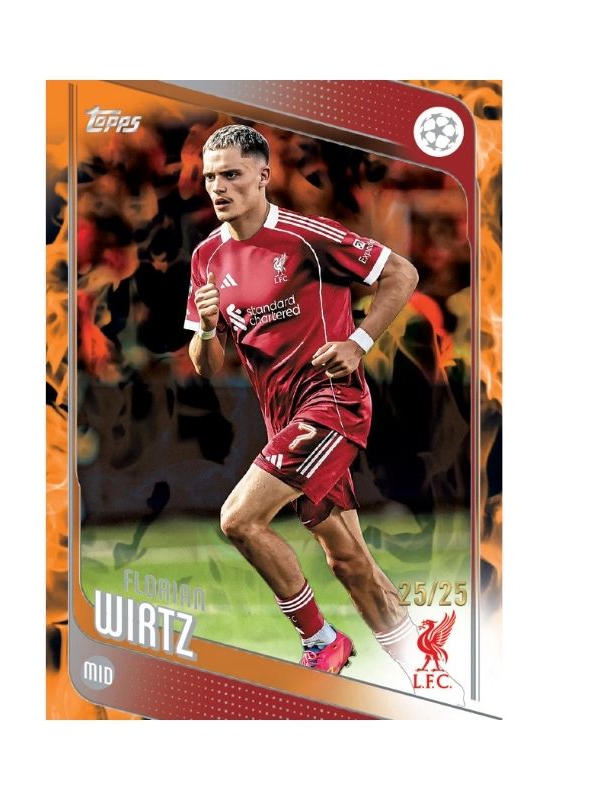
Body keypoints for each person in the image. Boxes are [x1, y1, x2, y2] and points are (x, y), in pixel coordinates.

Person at [183, 124, 419, 675]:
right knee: (349, 561)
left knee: (239, 519)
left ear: (264, 175)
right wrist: (207, 329)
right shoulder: (206, 257)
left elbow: (400, 274)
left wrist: (359, 342)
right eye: (211, 177)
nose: (219, 187)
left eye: (232, 175)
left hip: (330, 406)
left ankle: (320, 641)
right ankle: (431, 673)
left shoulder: (307, 237)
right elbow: (206, 365)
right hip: (283, 419)